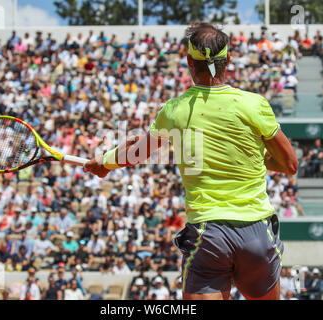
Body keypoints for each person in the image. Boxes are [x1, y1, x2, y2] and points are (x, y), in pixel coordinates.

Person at [84, 22, 297, 300]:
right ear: (228, 60)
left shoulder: (173, 110)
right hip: (257, 232)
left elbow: (137, 151)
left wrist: (105, 162)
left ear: (188, 61)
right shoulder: (253, 104)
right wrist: (252, 155)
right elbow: (290, 165)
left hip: (209, 235)